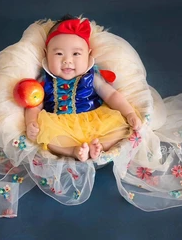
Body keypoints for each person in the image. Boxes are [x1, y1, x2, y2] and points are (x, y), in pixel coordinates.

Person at [25, 15, 142, 162]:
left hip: (95, 119)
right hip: (59, 124)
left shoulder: (91, 77)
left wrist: (129, 112)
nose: (67, 60)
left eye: (76, 54)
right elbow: (33, 106)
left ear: (88, 54)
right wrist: (31, 122)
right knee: (48, 138)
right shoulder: (44, 80)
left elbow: (111, 95)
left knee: (119, 131)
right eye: (59, 53)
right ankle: (73, 151)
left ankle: (98, 147)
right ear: (46, 53)